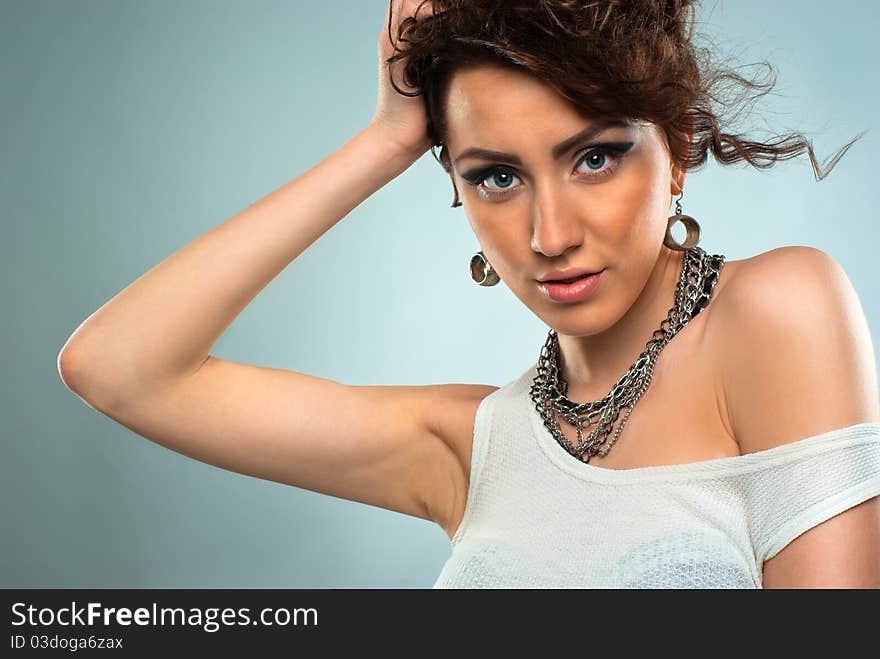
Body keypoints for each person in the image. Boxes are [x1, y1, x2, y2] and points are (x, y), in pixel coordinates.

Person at [56, 0, 880, 589]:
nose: (549, 233)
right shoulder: (471, 445)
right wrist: (386, 140)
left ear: (676, 149)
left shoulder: (779, 308)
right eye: (495, 175)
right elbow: (118, 368)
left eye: (593, 157)